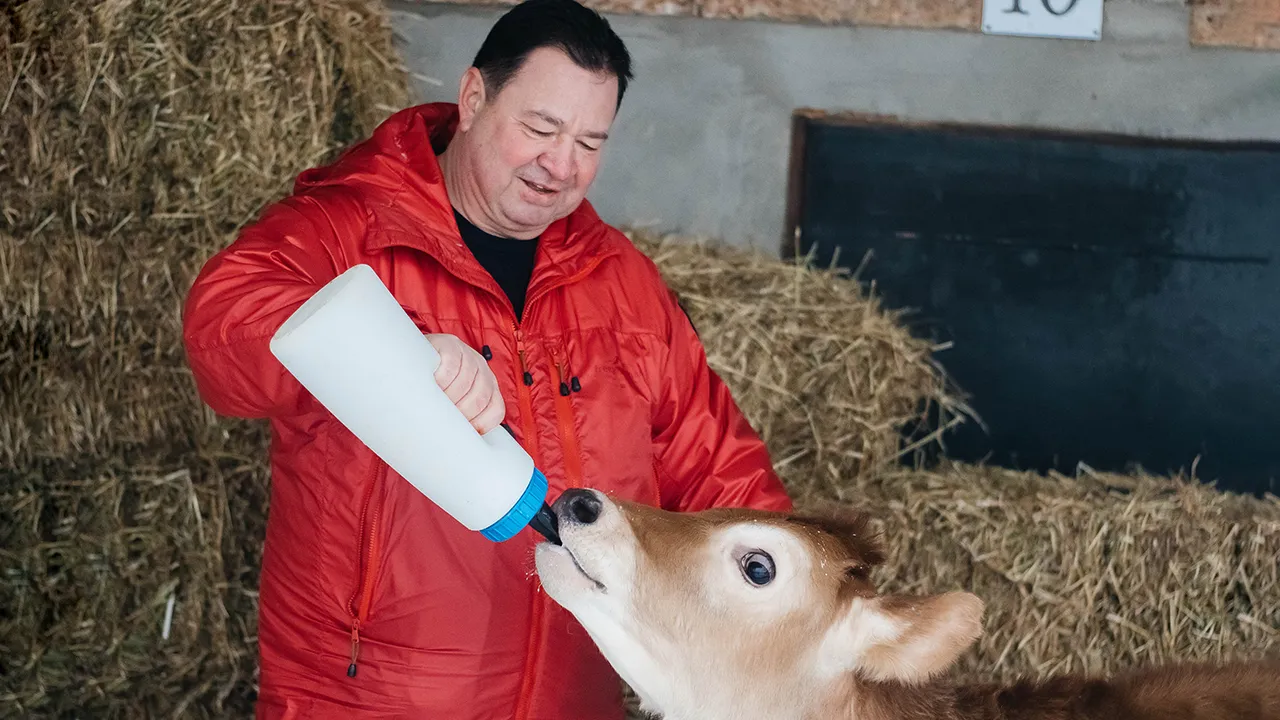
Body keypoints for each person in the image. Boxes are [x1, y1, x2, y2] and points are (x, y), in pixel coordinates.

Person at [181, 0, 792, 717]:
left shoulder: (623, 283)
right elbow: (221, 332)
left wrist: (804, 605)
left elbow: (717, 467)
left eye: (589, 142)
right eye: (541, 128)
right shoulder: (350, 230)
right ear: (473, 98)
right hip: (375, 699)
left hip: (572, 698)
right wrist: (391, 351)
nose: (561, 165)